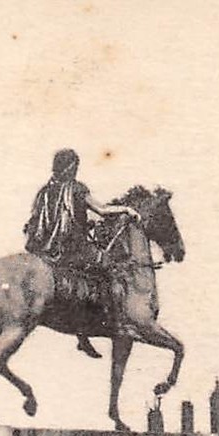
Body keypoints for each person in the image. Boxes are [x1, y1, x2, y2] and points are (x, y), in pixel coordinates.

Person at [22, 148, 140, 358]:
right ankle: (108, 321)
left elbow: (42, 222)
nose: (76, 170)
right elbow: (102, 209)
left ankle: (82, 336)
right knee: (110, 268)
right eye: (74, 166)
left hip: (46, 250)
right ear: (70, 168)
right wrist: (126, 210)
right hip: (73, 250)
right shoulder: (76, 189)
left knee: (80, 284)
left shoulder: (44, 191)